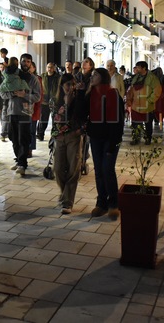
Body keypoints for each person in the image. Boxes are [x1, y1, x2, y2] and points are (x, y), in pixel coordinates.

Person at [85, 68, 125, 220]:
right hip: (95, 138)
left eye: (95, 75)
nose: (92, 77)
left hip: (110, 138)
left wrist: (114, 142)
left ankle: (113, 204)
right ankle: (101, 203)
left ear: (102, 77)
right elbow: (82, 112)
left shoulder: (113, 94)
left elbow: (119, 120)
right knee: (99, 171)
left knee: (107, 169)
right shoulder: (90, 94)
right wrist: (81, 92)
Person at [50, 73, 87, 214]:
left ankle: (68, 202)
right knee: (58, 169)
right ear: (62, 86)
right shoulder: (55, 100)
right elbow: (57, 119)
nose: (71, 87)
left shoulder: (79, 98)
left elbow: (84, 117)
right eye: (68, 85)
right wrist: (66, 104)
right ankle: (64, 194)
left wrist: (80, 131)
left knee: (73, 169)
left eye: (73, 84)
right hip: (59, 137)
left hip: (74, 137)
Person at [0, 54, 41, 176]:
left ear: (31, 63)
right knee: (13, 137)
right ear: (19, 62)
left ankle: (22, 164)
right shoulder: (11, 76)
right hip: (12, 111)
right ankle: (19, 160)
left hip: (25, 113)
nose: (25, 63)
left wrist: (24, 95)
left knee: (23, 138)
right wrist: (13, 93)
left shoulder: (33, 79)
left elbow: (37, 97)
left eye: (28, 61)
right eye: (23, 61)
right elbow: (2, 93)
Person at [126, 61, 162, 145]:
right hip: (135, 106)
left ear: (144, 68)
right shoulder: (135, 77)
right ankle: (136, 138)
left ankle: (148, 138)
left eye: (138, 67)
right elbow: (131, 89)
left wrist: (150, 100)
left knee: (148, 124)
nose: (136, 69)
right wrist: (129, 100)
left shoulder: (152, 78)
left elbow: (157, 90)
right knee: (135, 123)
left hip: (147, 106)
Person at [38, 62, 60, 141]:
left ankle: (54, 135)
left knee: (55, 119)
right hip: (44, 101)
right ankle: (40, 134)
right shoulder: (42, 76)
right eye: (48, 67)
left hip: (54, 101)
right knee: (43, 119)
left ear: (54, 68)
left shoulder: (58, 77)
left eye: (51, 67)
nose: (49, 69)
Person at [28, 61, 43, 158]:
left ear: (34, 68)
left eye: (31, 67)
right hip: (24, 108)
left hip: (34, 108)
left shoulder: (37, 79)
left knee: (32, 130)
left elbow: (40, 95)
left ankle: (30, 149)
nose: (29, 69)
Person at [0, 61, 10, 142]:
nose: (1, 69)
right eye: (0, 67)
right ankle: (4, 132)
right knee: (2, 117)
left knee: (4, 117)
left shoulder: (7, 77)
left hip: (5, 99)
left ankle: (3, 133)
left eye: (3, 67)